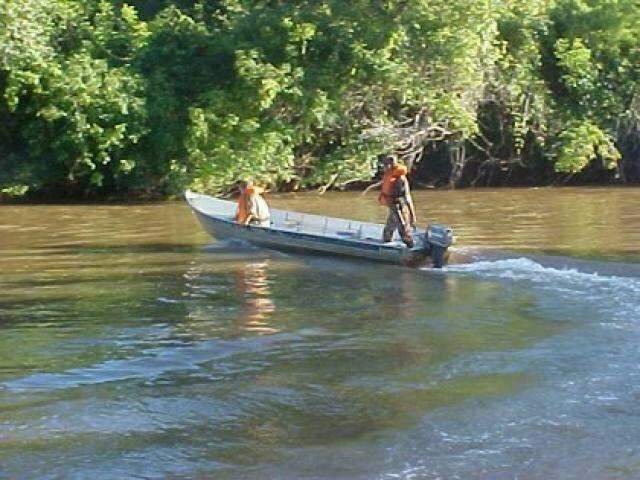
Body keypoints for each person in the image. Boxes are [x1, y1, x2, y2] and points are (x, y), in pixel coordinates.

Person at [378, 155, 417, 247]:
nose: (384, 167)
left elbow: (407, 198)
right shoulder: (389, 175)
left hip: (400, 206)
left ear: (391, 165)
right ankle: (387, 246)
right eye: (384, 165)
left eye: (386, 165)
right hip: (393, 206)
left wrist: (413, 216)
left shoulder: (401, 179)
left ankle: (412, 248)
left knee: (403, 228)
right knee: (388, 230)